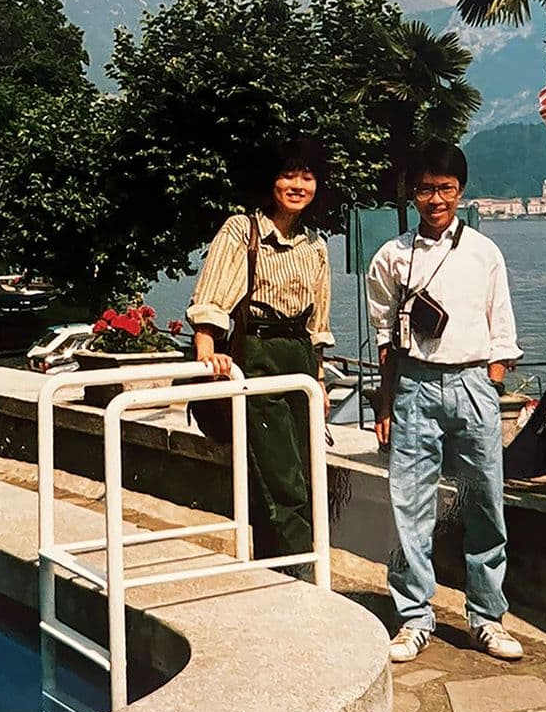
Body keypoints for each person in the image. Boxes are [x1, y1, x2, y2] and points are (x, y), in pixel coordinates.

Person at [366, 139, 523, 663]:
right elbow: (385, 339)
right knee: (409, 504)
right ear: (413, 193)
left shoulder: (484, 252)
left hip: (473, 384)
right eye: (427, 188)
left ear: (461, 190)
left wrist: (491, 378)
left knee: (485, 501)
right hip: (413, 386)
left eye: (446, 188)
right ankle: (413, 617)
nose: (437, 199)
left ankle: (487, 617)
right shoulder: (391, 256)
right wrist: (386, 405)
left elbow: (502, 326)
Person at [188, 139, 333, 564]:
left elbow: (318, 324)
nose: (298, 185)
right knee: (277, 476)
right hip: (258, 353)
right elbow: (211, 300)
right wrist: (207, 353)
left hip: (301, 359)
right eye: (289, 175)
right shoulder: (242, 230)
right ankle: (295, 573)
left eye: (307, 177)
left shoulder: (315, 245)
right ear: (271, 181)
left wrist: (320, 381)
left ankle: (288, 567)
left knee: (307, 472)